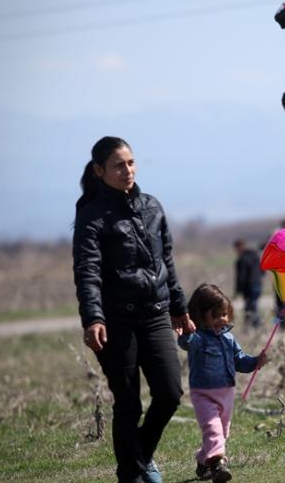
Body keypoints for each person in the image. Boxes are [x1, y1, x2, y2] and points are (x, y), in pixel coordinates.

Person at [73, 136, 195, 483]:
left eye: (130, 162)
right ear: (99, 171)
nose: (127, 170)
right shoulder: (93, 215)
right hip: (116, 321)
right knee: (128, 403)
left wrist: (178, 307)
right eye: (117, 165)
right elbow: (87, 270)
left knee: (170, 393)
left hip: (156, 314)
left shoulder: (152, 206)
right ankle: (134, 474)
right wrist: (93, 317)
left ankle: (136, 461)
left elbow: (166, 261)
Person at [177, 283, 269, 482]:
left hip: (226, 393)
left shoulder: (229, 338)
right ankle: (219, 465)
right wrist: (185, 330)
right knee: (213, 429)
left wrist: (255, 362)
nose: (222, 319)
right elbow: (186, 343)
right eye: (216, 314)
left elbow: (240, 361)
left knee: (222, 433)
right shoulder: (198, 338)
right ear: (201, 315)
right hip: (203, 393)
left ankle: (203, 462)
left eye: (224, 314)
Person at [233, 239, 263, 329]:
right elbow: (263, 269)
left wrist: (237, 290)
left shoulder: (241, 260)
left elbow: (241, 277)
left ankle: (252, 326)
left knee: (249, 307)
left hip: (248, 286)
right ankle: (254, 326)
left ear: (238, 248)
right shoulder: (255, 255)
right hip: (258, 284)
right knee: (253, 305)